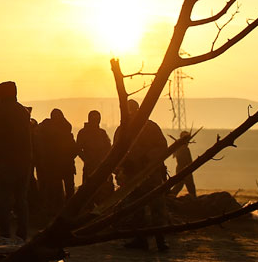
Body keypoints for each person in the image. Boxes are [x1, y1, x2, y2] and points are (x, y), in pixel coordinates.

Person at [114, 100, 170, 251]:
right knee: (135, 210)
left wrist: (148, 157)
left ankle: (160, 240)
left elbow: (162, 146)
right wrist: (122, 166)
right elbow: (115, 153)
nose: (131, 113)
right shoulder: (122, 130)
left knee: (156, 207)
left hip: (150, 174)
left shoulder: (151, 127)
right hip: (131, 176)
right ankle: (140, 239)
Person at [0, 81, 32, 243]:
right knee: (21, 199)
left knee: (4, 199)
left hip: (6, 161)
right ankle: (22, 232)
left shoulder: (1, 109)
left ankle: (5, 233)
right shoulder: (23, 111)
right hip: (24, 161)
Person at [32, 108, 78, 223]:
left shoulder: (51, 130)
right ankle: (66, 211)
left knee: (59, 189)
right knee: (60, 190)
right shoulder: (61, 130)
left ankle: (61, 211)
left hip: (57, 166)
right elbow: (73, 149)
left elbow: (73, 149)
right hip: (57, 166)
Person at [76, 110, 114, 205]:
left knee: (105, 191)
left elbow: (108, 148)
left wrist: (106, 160)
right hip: (90, 167)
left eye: (97, 119)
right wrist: (87, 160)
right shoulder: (83, 133)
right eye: (94, 119)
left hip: (102, 166)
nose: (96, 121)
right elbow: (78, 149)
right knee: (88, 193)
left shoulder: (102, 133)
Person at [169, 130, 197, 197]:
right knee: (186, 185)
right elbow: (183, 159)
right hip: (184, 169)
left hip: (184, 169)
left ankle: (171, 195)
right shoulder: (182, 148)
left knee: (181, 185)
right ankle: (171, 195)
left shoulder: (182, 148)